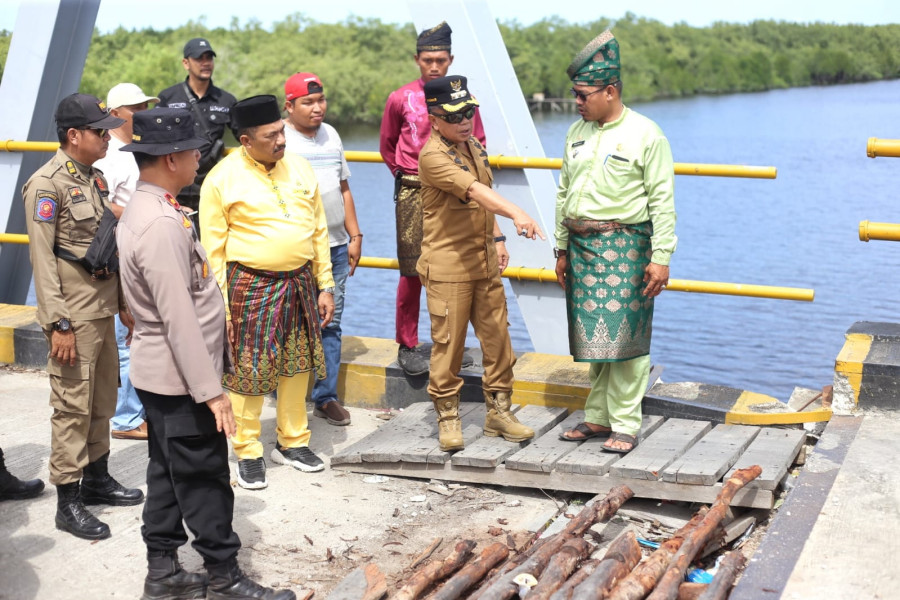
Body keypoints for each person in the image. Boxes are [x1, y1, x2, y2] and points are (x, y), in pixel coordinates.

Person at [117, 106, 296, 600]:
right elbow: (179, 319)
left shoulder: (154, 207)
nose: (201, 156)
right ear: (172, 158)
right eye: (195, 150)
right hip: (180, 379)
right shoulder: (160, 225)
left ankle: (164, 571)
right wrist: (212, 392)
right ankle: (225, 576)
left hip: (164, 374)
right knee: (204, 478)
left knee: (167, 472)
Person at [22, 93, 144, 541]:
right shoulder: (46, 185)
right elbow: (42, 260)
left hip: (103, 309)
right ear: (74, 136)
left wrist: (126, 304)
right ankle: (67, 502)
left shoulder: (94, 179)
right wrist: (59, 324)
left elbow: (104, 250)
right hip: (73, 316)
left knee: (101, 403)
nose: (108, 135)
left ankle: (97, 479)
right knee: (71, 408)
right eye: (99, 130)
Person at [200, 95, 335, 490]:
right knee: (248, 370)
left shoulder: (301, 168)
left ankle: (293, 442)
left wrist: (324, 284)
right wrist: (221, 306)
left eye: (281, 131)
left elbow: (319, 231)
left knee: (297, 364)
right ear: (245, 140)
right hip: (250, 284)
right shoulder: (222, 179)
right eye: (271, 136)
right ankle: (247, 450)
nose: (281, 141)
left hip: (299, 281)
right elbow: (213, 252)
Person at [554, 30, 676, 454]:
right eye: (575, 94)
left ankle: (625, 424)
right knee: (595, 339)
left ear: (610, 91)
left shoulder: (646, 134)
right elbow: (563, 191)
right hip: (583, 248)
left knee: (625, 339)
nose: (577, 101)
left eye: (584, 94)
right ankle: (597, 418)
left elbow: (663, 201)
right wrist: (561, 248)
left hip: (626, 247)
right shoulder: (576, 132)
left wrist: (660, 257)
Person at [417, 75, 544, 451]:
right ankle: (448, 417)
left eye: (469, 112)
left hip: (484, 261)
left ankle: (499, 413)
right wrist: (518, 213)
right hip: (448, 266)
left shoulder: (471, 145)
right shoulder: (433, 155)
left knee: (498, 341)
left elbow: (482, 198)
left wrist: (498, 237)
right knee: (449, 345)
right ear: (434, 117)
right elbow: (473, 190)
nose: (464, 120)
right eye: (455, 115)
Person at [379, 21, 485, 377]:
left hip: (456, 190)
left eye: (440, 59)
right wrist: (406, 172)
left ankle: (451, 343)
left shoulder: (463, 99)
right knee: (412, 271)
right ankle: (408, 344)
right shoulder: (401, 98)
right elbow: (388, 145)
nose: (434, 66)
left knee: (455, 268)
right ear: (417, 60)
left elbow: (477, 142)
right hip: (412, 191)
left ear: (451, 59)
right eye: (427, 60)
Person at [283, 72, 359, 427]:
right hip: (297, 250)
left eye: (321, 100)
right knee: (293, 324)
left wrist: (354, 234)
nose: (317, 108)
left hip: (336, 246)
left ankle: (325, 397)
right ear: (290, 106)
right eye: (308, 102)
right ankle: (289, 397)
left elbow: (343, 187)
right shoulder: (280, 140)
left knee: (331, 323)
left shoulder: (332, 135)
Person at [95, 82, 159, 441]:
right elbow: (100, 202)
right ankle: (126, 419)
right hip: (121, 253)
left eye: (145, 106)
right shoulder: (111, 154)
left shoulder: (134, 149)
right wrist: (142, 211)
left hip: (139, 250)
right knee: (127, 338)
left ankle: (136, 411)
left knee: (140, 334)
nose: (143, 113)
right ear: (116, 112)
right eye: (136, 107)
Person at [157, 37, 237, 217]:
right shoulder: (168, 98)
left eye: (209, 58)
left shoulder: (227, 100)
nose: (206, 63)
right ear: (186, 63)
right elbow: (155, 143)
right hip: (175, 188)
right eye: (199, 58)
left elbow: (247, 140)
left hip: (212, 187)